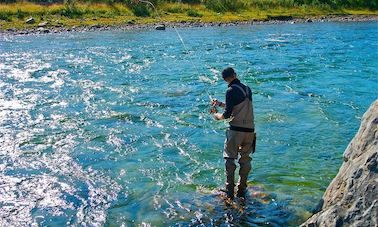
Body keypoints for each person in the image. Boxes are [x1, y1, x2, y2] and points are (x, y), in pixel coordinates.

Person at [211, 67, 256, 200]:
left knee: (229, 158)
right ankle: (242, 188)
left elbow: (227, 114)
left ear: (225, 79)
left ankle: (229, 189)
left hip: (236, 130)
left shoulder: (230, 90)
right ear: (235, 75)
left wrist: (216, 115)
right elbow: (237, 105)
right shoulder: (247, 89)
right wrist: (220, 104)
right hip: (250, 131)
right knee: (245, 159)